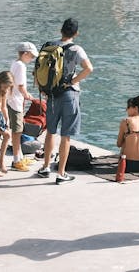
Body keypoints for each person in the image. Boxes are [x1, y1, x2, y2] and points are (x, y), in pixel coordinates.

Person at [36, 17, 93, 185]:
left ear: (61, 30)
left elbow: (39, 70)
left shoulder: (49, 45)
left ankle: (45, 167)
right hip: (69, 94)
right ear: (76, 33)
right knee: (66, 135)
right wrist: (72, 82)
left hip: (51, 95)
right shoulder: (76, 49)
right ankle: (61, 173)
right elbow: (89, 68)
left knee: (50, 132)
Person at [7, 42, 38, 172]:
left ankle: (19, 157)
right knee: (17, 132)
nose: (32, 59)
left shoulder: (15, 63)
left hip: (13, 100)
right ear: (25, 53)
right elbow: (20, 86)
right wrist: (28, 95)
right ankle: (16, 160)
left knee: (18, 131)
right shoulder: (21, 66)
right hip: (16, 102)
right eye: (31, 56)